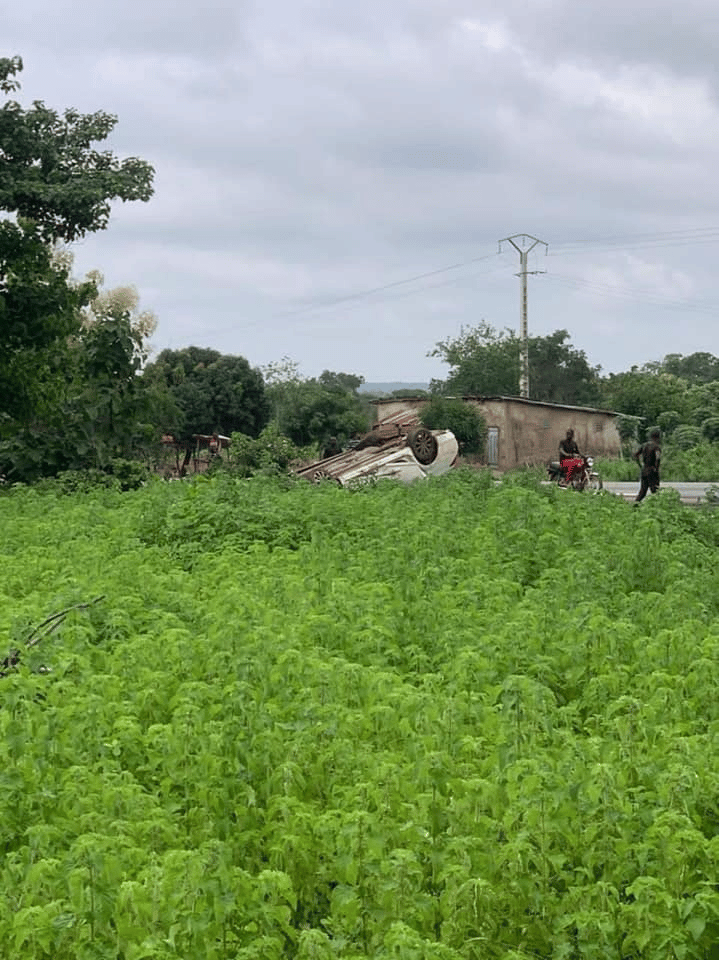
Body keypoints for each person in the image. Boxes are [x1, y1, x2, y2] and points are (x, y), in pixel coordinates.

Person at [634, 429, 661, 502]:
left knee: (643, 491)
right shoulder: (656, 447)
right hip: (652, 470)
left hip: (644, 470)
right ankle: (657, 506)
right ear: (657, 438)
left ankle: (635, 505)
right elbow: (657, 458)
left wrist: (640, 465)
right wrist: (656, 469)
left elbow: (636, 455)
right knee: (655, 490)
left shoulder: (644, 445)